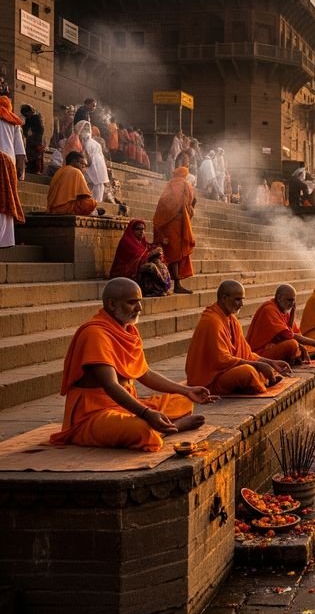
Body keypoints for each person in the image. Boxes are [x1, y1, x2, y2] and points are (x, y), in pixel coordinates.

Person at [50, 278, 214, 451]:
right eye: (132, 302)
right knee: (140, 429)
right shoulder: (95, 334)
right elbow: (111, 385)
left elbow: (145, 373)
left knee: (183, 401)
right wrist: (145, 413)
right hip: (95, 414)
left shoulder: (129, 330)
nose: (139, 308)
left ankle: (158, 425)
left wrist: (187, 390)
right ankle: (172, 428)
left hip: (125, 405)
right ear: (112, 304)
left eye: (140, 302)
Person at [185, 281, 291, 394]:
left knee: (259, 367)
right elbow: (222, 360)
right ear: (224, 298)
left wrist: (271, 362)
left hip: (225, 370)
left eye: (242, 299)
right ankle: (257, 383)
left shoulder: (231, 319)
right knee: (248, 371)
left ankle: (257, 381)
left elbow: (246, 354)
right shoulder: (212, 322)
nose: (241, 304)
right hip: (208, 381)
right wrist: (257, 365)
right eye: (237, 299)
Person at [246, 284, 315, 365]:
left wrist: (292, 314)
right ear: (279, 298)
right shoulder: (269, 310)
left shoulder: (282, 309)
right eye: (289, 300)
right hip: (260, 352)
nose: (292, 303)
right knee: (292, 344)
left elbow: (291, 332)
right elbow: (287, 335)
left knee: (298, 341)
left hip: (275, 345)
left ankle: (298, 356)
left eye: (294, 300)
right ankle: (299, 356)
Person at [152, 158, 196, 294]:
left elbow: (164, 203)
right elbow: (189, 203)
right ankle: (176, 284)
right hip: (177, 223)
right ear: (185, 175)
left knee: (170, 253)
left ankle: (169, 283)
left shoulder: (169, 184)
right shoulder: (185, 184)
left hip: (167, 223)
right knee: (176, 254)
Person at [0, 80, 26, 247]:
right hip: (9, 162)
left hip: (4, 162)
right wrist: (21, 171)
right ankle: (6, 240)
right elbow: (20, 151)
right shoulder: (14, 121)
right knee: (6, 201)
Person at [47, 151, 98, 216]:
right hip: (66, 208)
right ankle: (95, 211)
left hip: (52, 208)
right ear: (73, 162)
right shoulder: (76, 172)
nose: (83, 167)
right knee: (91, 203)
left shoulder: (59, 171)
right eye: (82, 164)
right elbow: (85, 197)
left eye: (85, 166)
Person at [78, 120, 109, 203]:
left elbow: (89, 160)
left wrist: (85, 165)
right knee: (98, 186)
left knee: (91, 184)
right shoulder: (95, 143)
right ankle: (95, 204)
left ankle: (92, 204)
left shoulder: (87, 144)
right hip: (100, 167)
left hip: (93, 167)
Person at [19, 104, 45, 174]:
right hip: (31, 140)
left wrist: (36, 141)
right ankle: (30, 169)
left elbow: (41, 130)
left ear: (30, 112)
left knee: (37, 156)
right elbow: (25, 129)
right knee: (30, 156)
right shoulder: (28, 119)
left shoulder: (37, 118)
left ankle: (37, 170)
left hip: (37, 140)